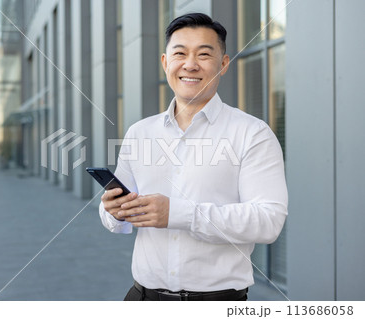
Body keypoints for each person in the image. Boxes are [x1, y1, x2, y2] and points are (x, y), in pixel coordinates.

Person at [99, 13, 288, 301]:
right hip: (142, 299)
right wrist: (113, 211)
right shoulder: (140, 133)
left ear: (223, 65)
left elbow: (268, 221)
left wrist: (177, 214)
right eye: (180, 53)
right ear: (165, 63)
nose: (190, 64)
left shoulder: (252, 134)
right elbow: (120, 216)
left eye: (203, 54)